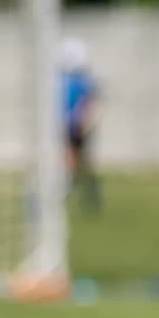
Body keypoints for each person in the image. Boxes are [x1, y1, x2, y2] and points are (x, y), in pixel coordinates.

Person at [57, 36, 103, 212]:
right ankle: (85, 193)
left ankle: (81, 191)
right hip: (72, 124)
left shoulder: (80, 80)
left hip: (78, 125)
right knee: (76, 158)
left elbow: (89, 102)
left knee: (78, 158)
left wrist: (86, 121)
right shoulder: (69, 79)